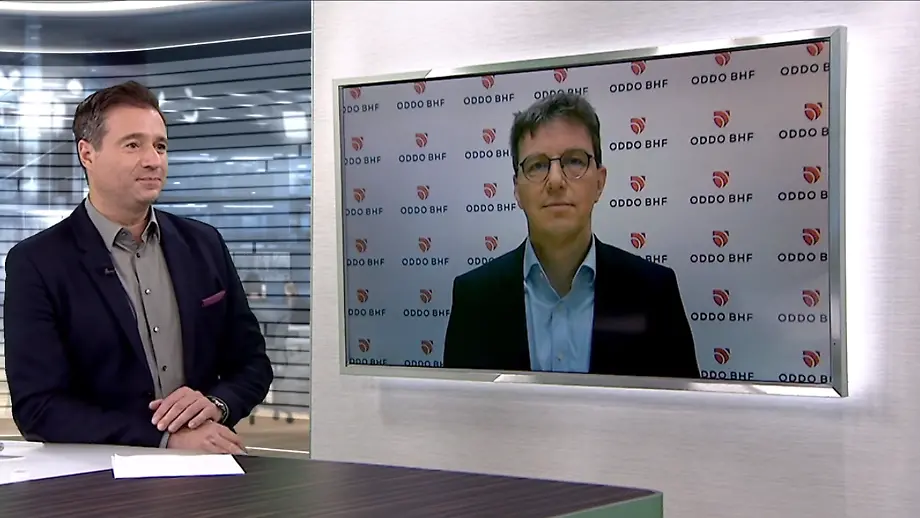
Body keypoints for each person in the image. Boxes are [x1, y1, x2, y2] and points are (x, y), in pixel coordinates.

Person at [4, 81, 273, 451]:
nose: (153, 160)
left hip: (204, 466)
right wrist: (164, 439)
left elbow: (252, 365)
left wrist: (216, 403)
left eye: (160, 146)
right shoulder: (37, 262)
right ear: (87, 153)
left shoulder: (205, 244)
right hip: (97, 475)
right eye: (133, 145)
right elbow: (39, 408)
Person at [442, 92, 699, 378]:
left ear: (599, 182)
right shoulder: (474, 299)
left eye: (574, 161)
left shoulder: (655, 293)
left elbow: (681, 406)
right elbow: (459, 406)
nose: (555, 181)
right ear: (517, 190)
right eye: (537, 165)